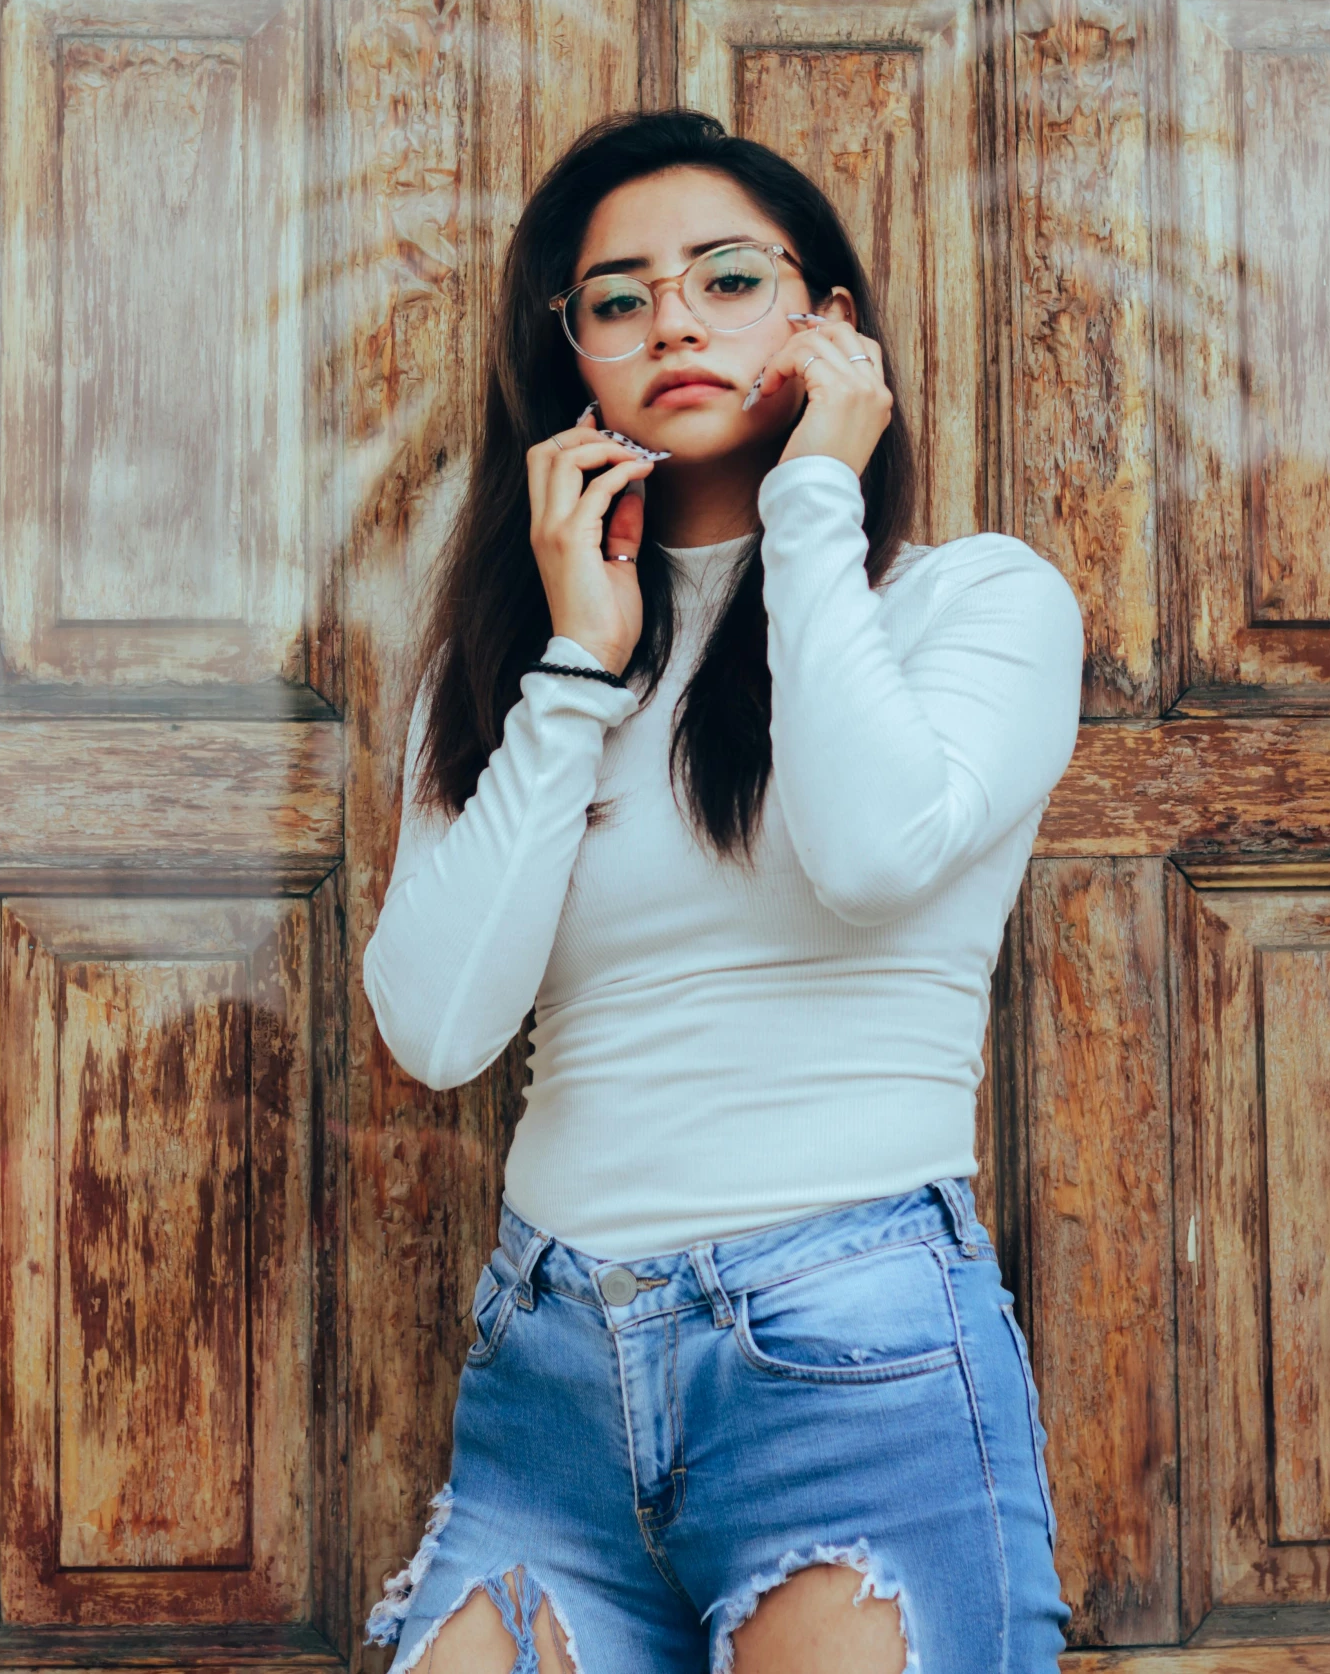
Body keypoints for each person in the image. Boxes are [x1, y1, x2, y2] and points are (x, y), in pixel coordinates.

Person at [361, 110, 1084, 1674]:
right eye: (616, 298)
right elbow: (436, 1025)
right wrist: (574, 663)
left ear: (830, 326)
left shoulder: (974, 602)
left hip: (849, 1357)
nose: (671, 319)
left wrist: (814, 495)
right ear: (573, 359)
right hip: (547, 1372)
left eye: (726, 278)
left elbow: (872, 850)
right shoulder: (518, 667)